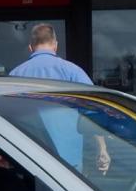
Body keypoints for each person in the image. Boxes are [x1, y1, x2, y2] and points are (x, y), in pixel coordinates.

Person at [6, 23, 109, 174]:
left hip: (28, 160)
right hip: (68, 162)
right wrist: (102, 149)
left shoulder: (14, 76)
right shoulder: (73, 72)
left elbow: (6, 117)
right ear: (55, 46)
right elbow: (94, 110)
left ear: (30, 48)